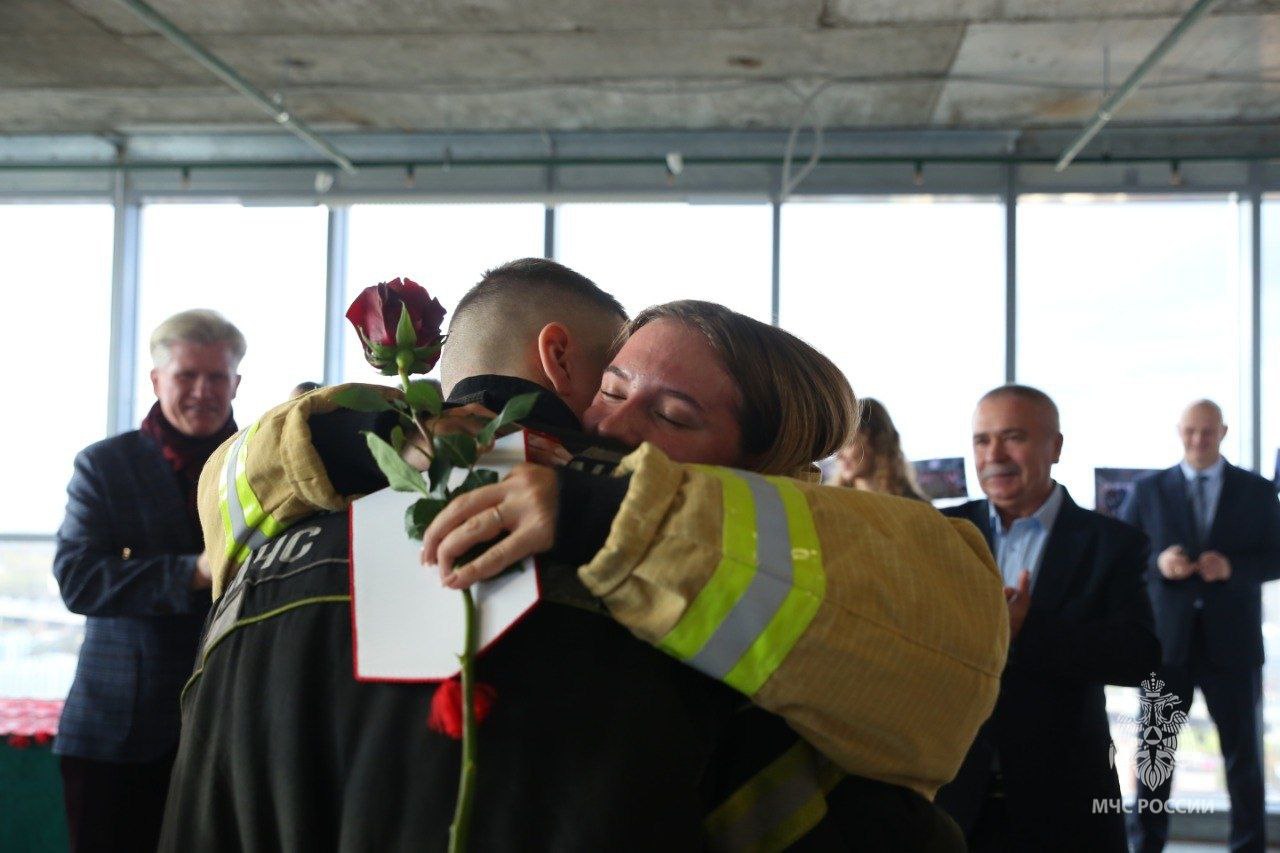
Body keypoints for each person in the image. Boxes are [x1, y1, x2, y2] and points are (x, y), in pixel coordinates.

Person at [168, 263, 1006, 848]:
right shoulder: (345, 473)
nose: (608, 430)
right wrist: (356, 434)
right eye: (610, 388)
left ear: (763, 473)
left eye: (673, 417)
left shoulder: (742, 574)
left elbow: (945, 636)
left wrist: (608, 515)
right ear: (564, 363)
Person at [934, 384, 1161, 852]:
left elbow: (1139, 658)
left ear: (1055, 447)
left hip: (1065, 800)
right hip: (951, 795)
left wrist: (1027, 630)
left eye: (1013, 437)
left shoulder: (1112, 543)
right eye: (982, 440)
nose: (994, 455)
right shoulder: (940, 532)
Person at [53, 309, 244, 853]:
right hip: (115, 736)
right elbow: (78, 581)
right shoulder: (102, 465)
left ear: (237, 383)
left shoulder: (263, 463)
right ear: (157, 380)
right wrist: (194, 572)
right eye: (187, 375)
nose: (203, 391)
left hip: (230, 731)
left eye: (217, 377)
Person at [1122, 399, 1280, 853]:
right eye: (1190, 431)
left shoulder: (1256, 490)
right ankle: (1145, 846)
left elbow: (1276, 556)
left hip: (1234, 647)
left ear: (1223, 432)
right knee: (1155, 755)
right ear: (1179, 431)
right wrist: (1158, 563)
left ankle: (1248, 847)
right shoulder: (1148, 489)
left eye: (1207, 431)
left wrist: (1232, 568)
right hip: (1167, 647)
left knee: (1244, 758)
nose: (1198, 439)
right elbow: (1125, 556)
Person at [831, 397, 927, 500]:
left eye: (848, 443)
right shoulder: (830, 502)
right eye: (839, 445)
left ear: (876, 442)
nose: (838, 456)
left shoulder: (916, 506)